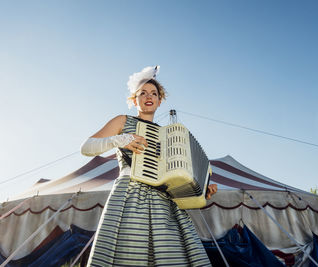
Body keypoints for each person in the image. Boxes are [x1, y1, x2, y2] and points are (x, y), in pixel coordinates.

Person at [81, 66, 217, 266]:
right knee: (128, 252)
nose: (148, 97)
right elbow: (87, 147)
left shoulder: (168, 136)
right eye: (142, 93)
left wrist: (201, 191)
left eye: (154, 93)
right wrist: (121, 139)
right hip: (130, 195)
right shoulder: (123, 120)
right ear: (133, 100)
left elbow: (176, 177)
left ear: (160, 100)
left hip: (165, 202)